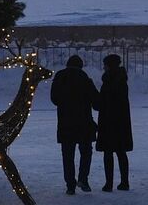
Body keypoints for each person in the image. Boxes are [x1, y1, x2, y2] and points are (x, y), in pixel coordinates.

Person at [50, 53, 98, 194]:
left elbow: (54, 99)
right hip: (84, 122)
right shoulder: (84, 78)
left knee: (68, 155)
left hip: (66, 123)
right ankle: (83, 178)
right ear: (80, 66)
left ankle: (70, 184)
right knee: (86, 152)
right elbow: (96, 101)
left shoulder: (60, 77)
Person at [95, 53, 133, 191]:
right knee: (121, 152)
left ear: (109, 66)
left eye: (105, 65)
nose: (104, 67)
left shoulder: (108, 82)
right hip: (121, 123)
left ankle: (109, 183)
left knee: (108, 153)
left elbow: (101, 103)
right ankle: (124, 182)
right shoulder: (122, 81)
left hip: (108, 122)